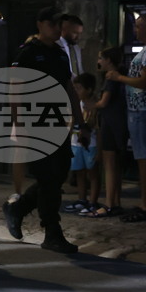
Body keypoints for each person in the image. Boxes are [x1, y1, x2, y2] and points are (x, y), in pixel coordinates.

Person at [3, 6, 90, 253]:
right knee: (48, 179)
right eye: (52, 24)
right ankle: (52, 231)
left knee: (58, 174)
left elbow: (69, 89)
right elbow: (15, 91)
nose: (56, 28)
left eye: (59, 24)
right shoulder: (28, 53)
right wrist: (19, 125)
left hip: (57, 123)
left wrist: (81, 123)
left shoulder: (60, 54)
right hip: (34, 124)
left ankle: (19, 207)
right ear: (40, 24)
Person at [105, 12, 146, 222]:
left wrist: (119, 77)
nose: (135, 30)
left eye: (139, 26)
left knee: (145, 158)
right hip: (140, 112)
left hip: (144, 111)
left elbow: (143, 82)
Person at [90, 46, 129, 218]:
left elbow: (104, 102)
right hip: (120, 122)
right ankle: (116, 202)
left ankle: (109, 204)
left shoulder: (111, 77)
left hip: (111, 123)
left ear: (108, 60)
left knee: (109, 165)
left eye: (101, 58)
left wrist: (90, 104)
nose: (99, 61)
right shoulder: (122, 74)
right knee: (116, 165)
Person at [65, 73, 100, 215]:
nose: (76, 91)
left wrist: (100, 149)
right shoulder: (76, 104)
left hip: (91, 143)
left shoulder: (95, 105)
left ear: (89, 89)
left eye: (79, 88)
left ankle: (93, 201)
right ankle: (82, 199)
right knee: (79, 172)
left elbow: (98, 128)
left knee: (92, 173)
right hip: (76, 142)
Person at [57, 14, 85, 78]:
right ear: (64, 29)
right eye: (75, 33)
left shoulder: (76, 48)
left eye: (80, 33)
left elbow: (79, 69)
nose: (78, 37)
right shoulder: (55, 46)